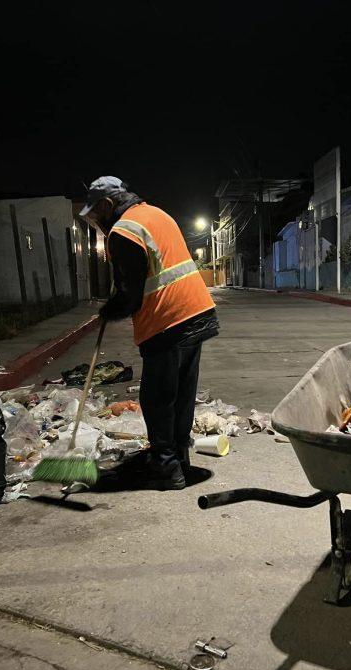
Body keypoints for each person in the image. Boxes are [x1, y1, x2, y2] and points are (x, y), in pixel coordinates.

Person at [79, 176, 219, 490]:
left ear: (106, 205)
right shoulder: (156, 214)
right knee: (180, 396)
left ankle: (166, 468)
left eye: (96, 215)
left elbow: (130, 295)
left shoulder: (123, 231)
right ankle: (179, 459)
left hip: (167, 321)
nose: (97, 223)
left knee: (156, 398)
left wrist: (107, 311)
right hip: (197, 312)